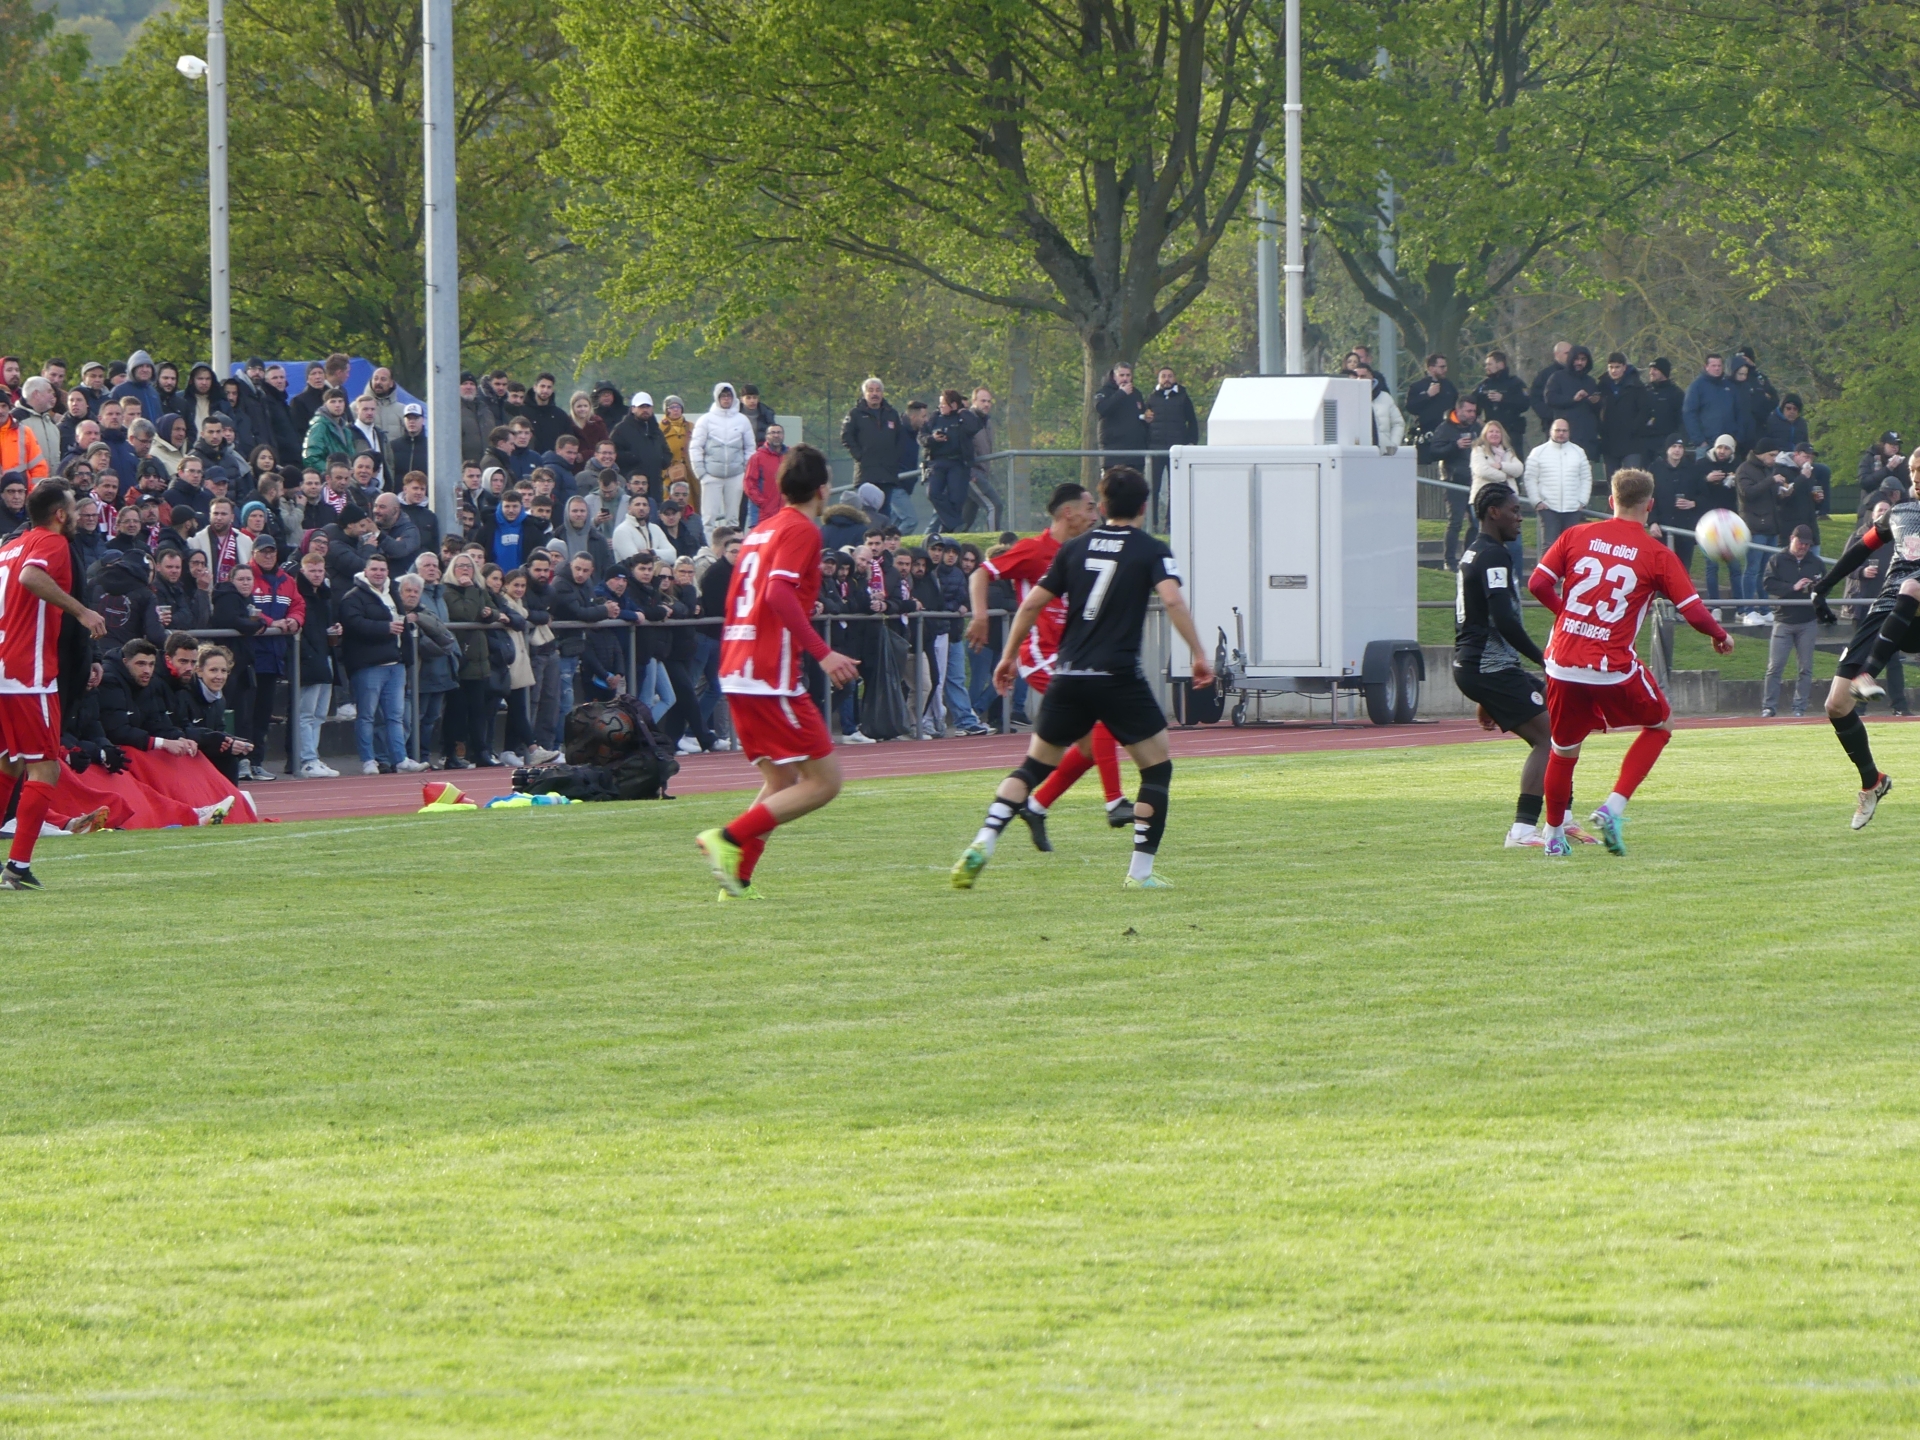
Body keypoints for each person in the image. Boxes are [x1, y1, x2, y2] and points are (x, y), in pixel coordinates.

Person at [952, 466, 1213, 890]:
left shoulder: (1073, 548)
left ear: (1103, 506)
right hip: (1118, 676)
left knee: (1032, 766)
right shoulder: (1150, 549)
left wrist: (1008, 657)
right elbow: (1172, 600)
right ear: (1144, 506)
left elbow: (1031, 604)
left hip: (1068, 674)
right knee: (1156, 769)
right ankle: (1140, 873)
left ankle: (984, 839)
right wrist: (1199, 654)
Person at [1525, 467, 1734, 856]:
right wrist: (1720, 636)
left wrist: (1567, 615)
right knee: (1661, 724)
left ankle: (1553, 837)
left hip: (1562, 661)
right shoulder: (1657, 553)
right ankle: (1612, 807)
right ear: (1650, 505)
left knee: (1563, 750)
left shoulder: (1575, 534)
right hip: (1610, 665)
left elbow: (1537, 583)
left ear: (1611, 501)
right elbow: (1692, 611)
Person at [695, 444, 862, 899]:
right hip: (768, 672)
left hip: (739, 666)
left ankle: (737, 876)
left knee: (782, 780)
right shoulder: (802, 530)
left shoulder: (759, 531)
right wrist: (823, 653)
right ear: (823, 489)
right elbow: (777, 594)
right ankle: (727, 838)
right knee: (825, 783)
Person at [965, 483, 1129, 829]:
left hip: (1074, 656)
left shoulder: (1084, 551)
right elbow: (982, 573)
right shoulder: (1034, 549)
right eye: (1088, 507)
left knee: (1091, 746)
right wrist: (980, 616)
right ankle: (1115, 801)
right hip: (1041, 655)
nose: (1094, 515)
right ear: (1068, 512)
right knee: (1103, 718)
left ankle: (1037, 806)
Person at [0, 484, 108, 888]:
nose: (78, 516)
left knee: (8, 765)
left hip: (4, 667)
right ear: (59, 514)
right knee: (45, 767)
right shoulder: (52, 542)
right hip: (28, 674)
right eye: (74, 509)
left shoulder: (10, 546)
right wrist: (82, 611)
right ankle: (18, 867)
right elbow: (32, 576)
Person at [1804, 452, 1920, 826]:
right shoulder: (1898, 514)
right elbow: (1861, 549)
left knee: (1913, 586)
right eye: (1914, 471)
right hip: (1890, 608)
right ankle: (1873, 781)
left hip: (1915, 601)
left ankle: (1867, 674)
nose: (1917, 477)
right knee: (1836, 705)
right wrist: (1822, 586)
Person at [1452, 485, 1555, 847]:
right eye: (1514, 511)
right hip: (1489, 666)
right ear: (1493, 512)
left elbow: (1474, 618)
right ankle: (1523, 830)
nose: (1520, 518)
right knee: (1548, 739)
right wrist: (1543, 659)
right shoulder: (1494, 555)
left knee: (1560, 718)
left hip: (1481, 665)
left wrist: (1485, 694)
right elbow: (1503, 619)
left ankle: (1560, 819)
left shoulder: (1475, 551)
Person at [1760, 525, 1823, 718]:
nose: (1803, 547)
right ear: (1791, 539)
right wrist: (1792, 587)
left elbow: (1826, 585)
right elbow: (1768, 584)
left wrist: (1815, 588)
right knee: (1775, 666)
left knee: (1805, 668)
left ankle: (1799, 708)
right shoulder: (1777, 560)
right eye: (1800, 543)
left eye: (1807, 544)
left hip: (1807, 620)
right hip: (1783, 620)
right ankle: (1769, 706)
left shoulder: (1816, 562)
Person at [689, 381, 756, 532]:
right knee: (708, 520)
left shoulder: (742, 420)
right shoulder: (705, 420)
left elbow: (750, 448)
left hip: (735, 476)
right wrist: (701, 473)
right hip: (711, 475)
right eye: (723, 396)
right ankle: (709, 546)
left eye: (729, 396)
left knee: (733, 519)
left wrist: (745, 471)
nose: (726, 399)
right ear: (717, 397)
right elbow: (695, 446)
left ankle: (733, 546)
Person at [1425, 396, 1482, 569]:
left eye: (1474, 411)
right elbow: (1434, 452)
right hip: (1454, 481)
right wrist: (1455, 446)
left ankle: (1468, 559)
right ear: (1459, 410)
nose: (1472, 414)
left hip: (1475, 481)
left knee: (1476, 522)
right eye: (1469, 411)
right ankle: (1449, 561)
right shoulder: (1445, 428)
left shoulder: (1477, 427)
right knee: (1455, 522)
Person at [838, 378, 905, 522]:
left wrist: (895, 457)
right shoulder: (855, 414)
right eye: (871, 390)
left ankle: (884, 534)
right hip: (866, 470)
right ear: (864, 393)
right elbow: (846, 437)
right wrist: (860, 456)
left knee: (885, 510)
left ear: (882, 393)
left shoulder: (892, 413)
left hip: (887, 471)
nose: (875, 394)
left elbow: (900, 438)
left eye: (878, 390)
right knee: (865, 511)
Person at [1522, 417, 1592, 547]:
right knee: (1549, 547)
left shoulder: (1578, 452)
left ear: (1569, 432)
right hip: (1548, 508)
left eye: (1564, 431)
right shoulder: (1538, 452)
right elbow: (1530, 478)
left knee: (1571, 547)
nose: (1561, 433)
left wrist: (1582, 501)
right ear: (1551, 431)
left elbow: (1586, 478)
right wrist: (1536, 501)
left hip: (1572, 509)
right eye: (1558, 430)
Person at [921, 390, 979, 534]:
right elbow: (922, 436)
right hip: (937, 462)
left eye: (943, 404)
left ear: (953, 405)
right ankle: (956, 524)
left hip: (957, 463)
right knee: (933, 493)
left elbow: (975, 427)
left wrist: (962, 411)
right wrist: (932, 439)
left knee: (956, 498)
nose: (940, 407)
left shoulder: (962, 417)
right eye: (940, 404)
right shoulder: (935, 417)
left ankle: (948, 531)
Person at [1649, 435, 1705, 572]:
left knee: (1682, 569)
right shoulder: (1655, 469)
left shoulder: (1693, 470)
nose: (1677, 450)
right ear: (1667, 449)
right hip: (1662, 527)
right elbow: (1649, 497)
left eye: (1680, 447)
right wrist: (1652, 521)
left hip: (1685, 527)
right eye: (1674, 446)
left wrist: (1694, 503)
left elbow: (1704, 495)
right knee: (1660, 569)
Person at [1093, 365, 1151, 476]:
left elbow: (1140, 416)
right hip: (1113, 453)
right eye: (1121, 375)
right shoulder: (1104, 392)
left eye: (1128, 375)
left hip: (1135, 453)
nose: (1125, 378)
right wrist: (1121, 393)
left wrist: (1146, 419)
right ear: (1114, 376)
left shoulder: (1136, 393)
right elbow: (1102, 409)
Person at [1469, 351, 1530, 452]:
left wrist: (1504, 399)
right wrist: (1476, 419)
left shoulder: (1515, 383)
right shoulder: (1484, 386)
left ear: (1501, 365)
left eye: (1490, 364)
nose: (1486, 367)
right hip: (1490, 432)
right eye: (1486, 365)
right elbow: (1471, 403)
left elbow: (1525, 403)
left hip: (1512, 432)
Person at [741, 422, 788, 529]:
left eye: (779, 433)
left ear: (783, 435)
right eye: (773, 433)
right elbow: (749, 484)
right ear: (767, 436)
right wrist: (763, 503)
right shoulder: (757, 457)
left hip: (784, 514)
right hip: (762, 515)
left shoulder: (790, 456)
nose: (776, 435)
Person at [1404, 354, 1457, 437]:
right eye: (1442, 367)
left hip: (1448, 430)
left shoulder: (1449, 385)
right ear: (1431, 368)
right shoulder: (1417, 386)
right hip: (1427, 431)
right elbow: (1410, 407)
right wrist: (1427, 395)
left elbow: (1456, 404)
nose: (1445, 370)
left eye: (1446, 366)